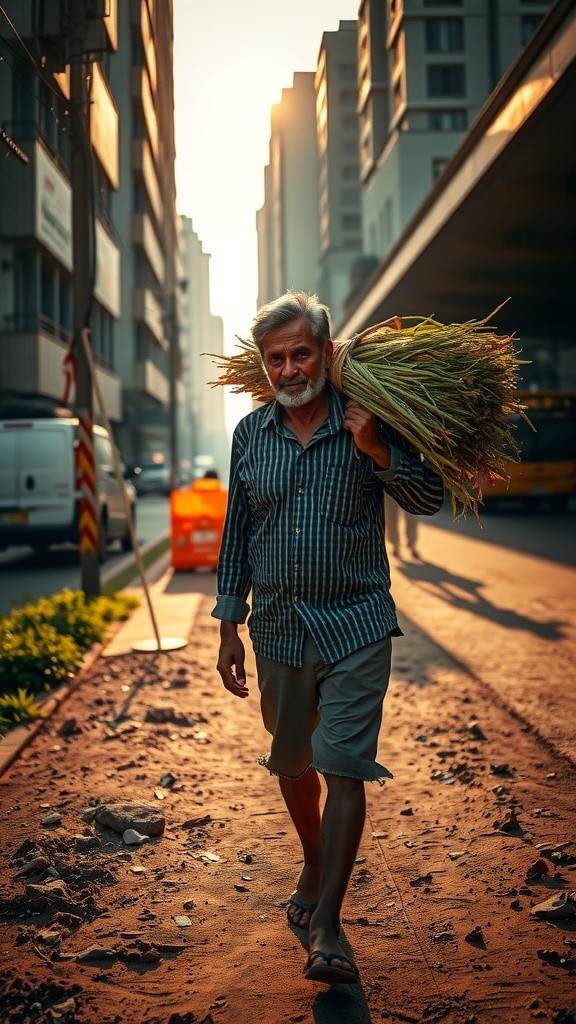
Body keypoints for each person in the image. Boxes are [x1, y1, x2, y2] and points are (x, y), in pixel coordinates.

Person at [213, 291, 444, 986]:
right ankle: (313, 857)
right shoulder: (251, 436)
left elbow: (430, 498)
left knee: (343, 765)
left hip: (358, 625)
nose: (289, 369)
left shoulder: (370, 419)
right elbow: (236, 535)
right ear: (264, 365)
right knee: (292, 765)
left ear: (327, 352)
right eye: (275, 358)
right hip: (278, 627)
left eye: (301, 353)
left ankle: (329, 924)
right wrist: (228, 624)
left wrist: (376, 449)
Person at [384, 492, 421, 560]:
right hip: (389, 484)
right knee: (391, 514)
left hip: (410, 484)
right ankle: (395, 546)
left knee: (412, 514)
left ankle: (412, 545)